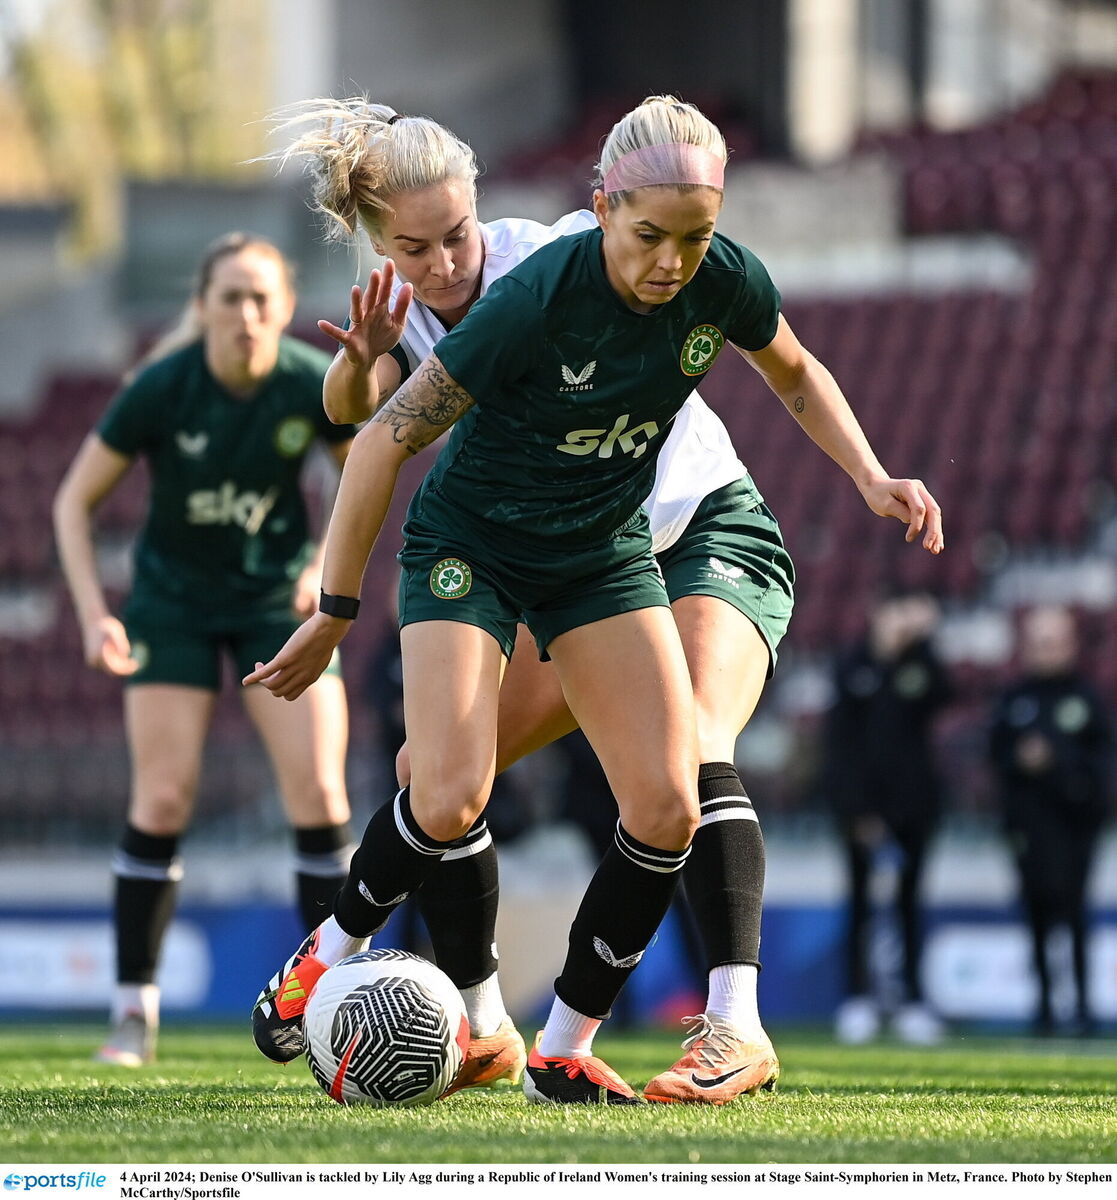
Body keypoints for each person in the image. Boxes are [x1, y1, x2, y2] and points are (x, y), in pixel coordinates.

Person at [246, 95, 943, 1106]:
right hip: (552, 550)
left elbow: (786, 364)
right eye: (415, 249)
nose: (443, 263)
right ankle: (483, 1026)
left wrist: (872, 475)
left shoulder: (568, 255)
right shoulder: (438, 316)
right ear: (379, 251)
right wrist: (356, 372)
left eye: (455, 236)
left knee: (688, 754)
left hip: (692, 529)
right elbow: (370, 420)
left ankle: (730, 1024)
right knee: (434, 777)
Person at [52, 233, 358, 1067]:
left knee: (321, 795)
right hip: (173, 609)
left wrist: (318, 567)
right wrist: (91, 616)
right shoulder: (161, 386)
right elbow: (73, 503)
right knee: (160, 800)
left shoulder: (309, 383)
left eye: (262, 298)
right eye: (231, 297)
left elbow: (362, 470)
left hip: (273, 610)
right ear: (203, 306)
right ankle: (131, 1015)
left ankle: (330, 1009)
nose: (248, 314)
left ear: (286, 307)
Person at [821, 593, 953, 1045]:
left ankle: (912, 1001)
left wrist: (924, 644)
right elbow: (840, 745)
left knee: (909, 903)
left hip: (914, 807)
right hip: (862, 808)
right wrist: (855, 811)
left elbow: (944, 694)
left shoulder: (919, 665)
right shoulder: (852, 665)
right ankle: (856, 998)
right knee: (860, 903)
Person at [989, 605, 1112, 1036]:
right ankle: (1043, 1008)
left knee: (1076, 913)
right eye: (1039, 641)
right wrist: (1018, 761)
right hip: (1028, 827)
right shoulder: (1014, 697)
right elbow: (993, 755)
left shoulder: (1086, 697)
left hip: (1075, 824)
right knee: (1037, 914)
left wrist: (1055, 761)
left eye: (1054, 641)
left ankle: (1080, 1008)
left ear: (1071, 643)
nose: (1047, 649)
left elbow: (1103, 761)